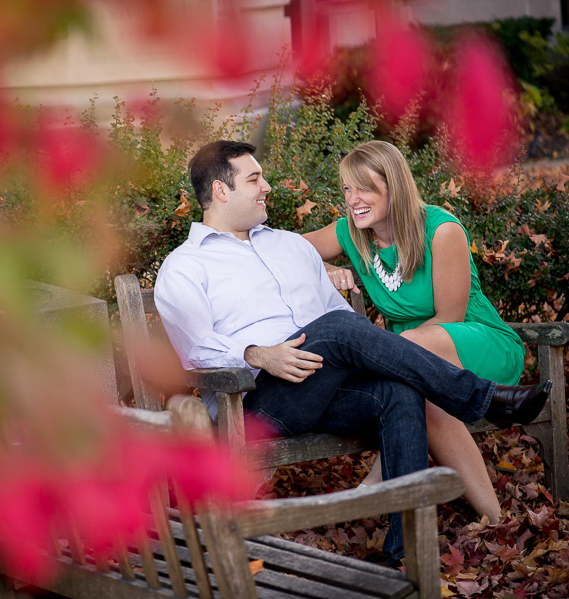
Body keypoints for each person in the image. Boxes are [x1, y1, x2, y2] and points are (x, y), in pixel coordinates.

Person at [153, 140, 551, 562]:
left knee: (399, 393)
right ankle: (484, 398)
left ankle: (403, 552)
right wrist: (258, 354)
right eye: (254, 179)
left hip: (322, 383)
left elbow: (340, 319)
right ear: (220, 190)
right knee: (342, 329)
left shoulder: (289, 247)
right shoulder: (184, 267)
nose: (266, 186)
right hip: (255, 400)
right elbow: (196, 351)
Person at [303, 140, 524, 523]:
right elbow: (286, 252)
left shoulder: (441, 230)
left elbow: (451, 316)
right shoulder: (351, 234)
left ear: (395, 187)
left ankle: (374, 485)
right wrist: (322, 269)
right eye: (346, 189)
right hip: (412, 367)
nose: (353, 199)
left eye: (364, 188)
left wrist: (389, 355)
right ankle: (496, 520)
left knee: (412, 351)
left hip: (471, 344)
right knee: (421, 393)